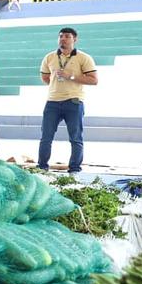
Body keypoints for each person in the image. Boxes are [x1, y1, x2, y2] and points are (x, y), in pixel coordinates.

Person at [38, 27, 98, 174]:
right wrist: (56, 84)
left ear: (74, 39)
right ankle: (42, 167)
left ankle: (75, 169)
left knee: (75, 138)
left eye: (66, 36)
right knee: (46, 137)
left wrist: (70, 76)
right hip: (52, 102)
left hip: (74, 101)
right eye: (60, 36)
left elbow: (94, 80)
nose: (62, 39)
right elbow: (45, 77)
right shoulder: (50, 57)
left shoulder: (84, 57)